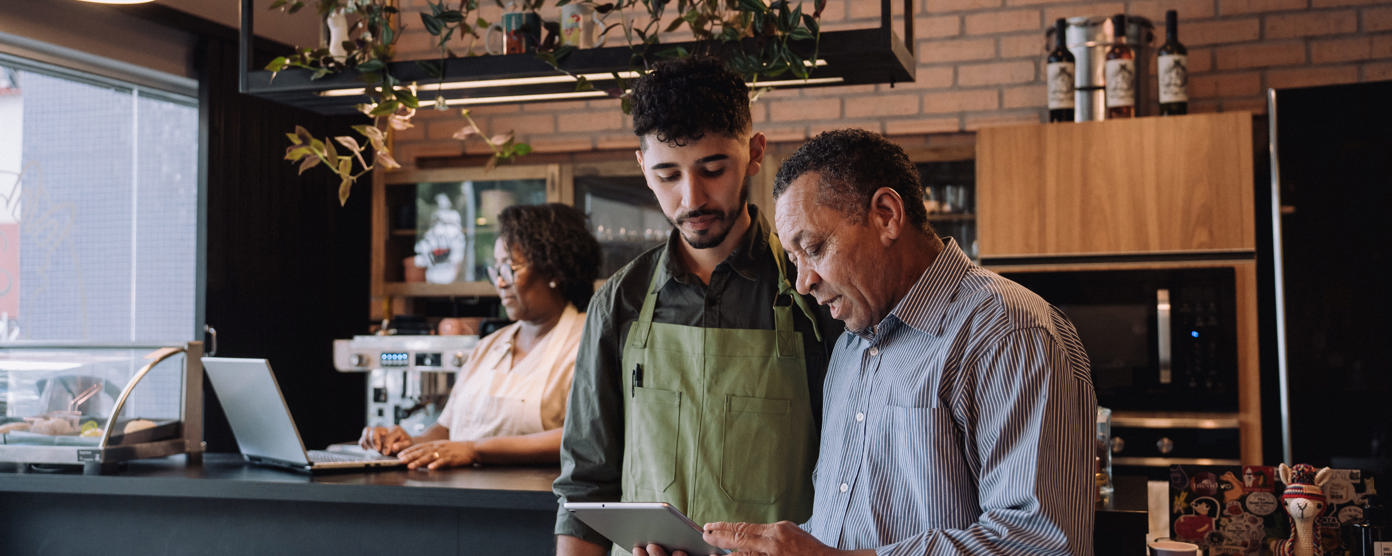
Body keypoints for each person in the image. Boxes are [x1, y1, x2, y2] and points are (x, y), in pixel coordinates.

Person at [692, 129, 1097, 555]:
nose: (803, 282)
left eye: (813, 247)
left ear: (886, 215)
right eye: (794, 260)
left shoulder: (1008, 333)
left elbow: (1040, 544)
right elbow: (845, 535)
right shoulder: (850, 347)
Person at [552, 56, 840, 556]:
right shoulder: (620, 301)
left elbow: (851, 482)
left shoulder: (812, 293)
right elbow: (586, 488)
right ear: (642, 168)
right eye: (667, 174)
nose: (692, 197)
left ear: (754, 153)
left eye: (712, 169)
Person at [360, 203, 601, 470]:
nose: (499, 282)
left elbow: (583, 438)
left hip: (534, 502)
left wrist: (476, 450)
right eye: (496, 270)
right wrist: (407, 445)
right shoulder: (489, 346)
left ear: (555, 269)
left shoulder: (588, 342)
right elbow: (445, 429)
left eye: (511, 268)